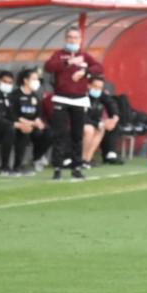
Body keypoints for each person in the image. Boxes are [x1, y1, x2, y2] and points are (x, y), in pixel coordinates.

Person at [44, 26, 103, 181]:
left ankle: (76, 167)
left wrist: (85, 72)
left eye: (76, 37)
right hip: (61, 98)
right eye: (70, 37)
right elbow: (49, 67)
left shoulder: (84, 56)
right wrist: (69, 62)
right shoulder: (59, 54)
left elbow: (99, 67)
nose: (73, 40)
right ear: (66, 39)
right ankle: (57, 167)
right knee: (60, 134)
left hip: (79, 99)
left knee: (77, 134)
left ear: (80, 40)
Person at [11, 68, 51, 175]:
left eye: (37, 79)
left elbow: (38, 113)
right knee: (25, 132)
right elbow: (13, 114)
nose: (37, 82)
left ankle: (37, 157)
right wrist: (27, 122)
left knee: (48, 133)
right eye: (34, 79)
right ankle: (17, 166)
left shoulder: (35, 97)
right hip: (18, 125)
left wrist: (38, 121)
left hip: (32, 124)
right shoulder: (15, 95)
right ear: (25, 80)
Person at [81, 76, 121, 167]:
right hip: (80, 122)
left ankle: (88, 159)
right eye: (95, 86)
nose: (97, 90)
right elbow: (82, 116)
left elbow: (111, 103)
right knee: (90, 129)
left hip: (93, 121)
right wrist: (99, 123)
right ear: (89, 85)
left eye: (100, 88)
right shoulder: (82, 95)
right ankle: (81, 159)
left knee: (101, 128)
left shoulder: (101, 95)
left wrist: (115, 117)